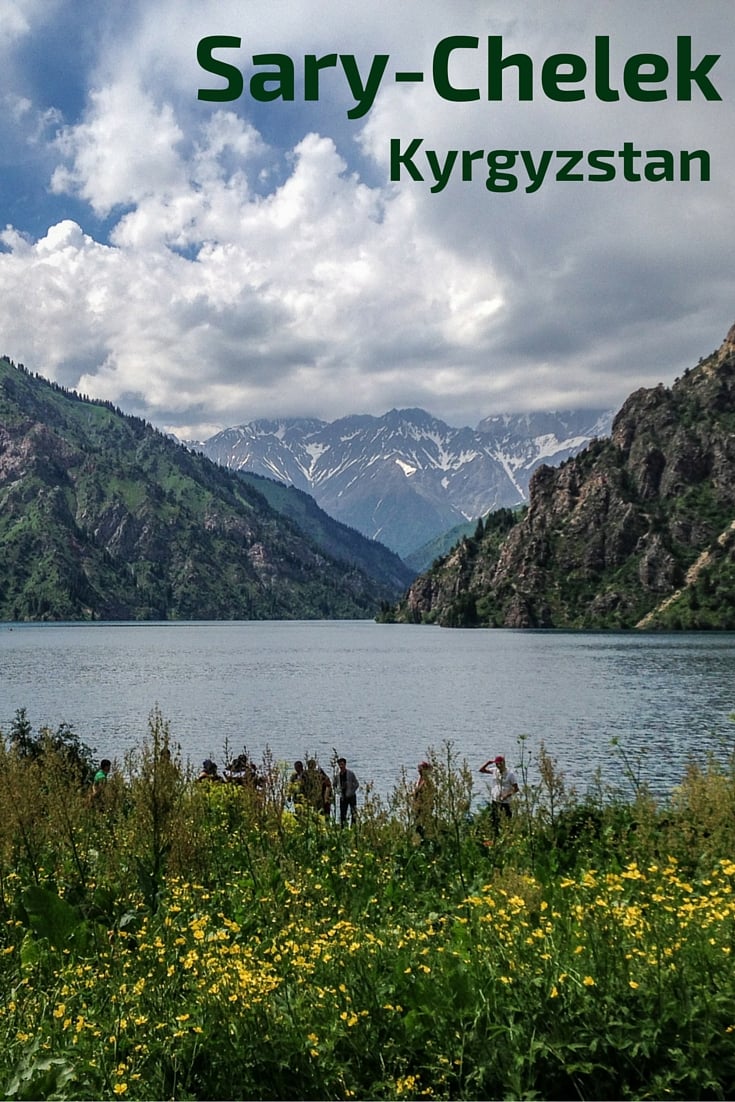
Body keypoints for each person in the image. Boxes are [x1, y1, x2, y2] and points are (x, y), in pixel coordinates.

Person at [479, 755, 519, 833]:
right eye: (497, 764)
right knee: (494, 821)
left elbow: (516, 789)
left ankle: (508, 837)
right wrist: (488, 763)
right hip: (495, 801)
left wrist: (506, 795)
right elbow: (481, 770)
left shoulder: (510, 774)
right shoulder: (495, 771)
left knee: (506, 822)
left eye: (500, 764)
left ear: (504, 763)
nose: (498, 766)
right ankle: (495, 836)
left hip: (505, 802)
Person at [412, 761, 434, 839]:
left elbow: (430, 794)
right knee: (417, 826)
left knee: (422, 826)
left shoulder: (427, 782)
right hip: (418, 808)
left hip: (424, 808)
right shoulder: (420, 781)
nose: (419, 771)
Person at [335, 757, 359, 827]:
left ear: (345, 764)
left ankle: (353, 827)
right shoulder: (337, 776)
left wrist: (352, 792)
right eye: (340, 765)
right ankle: (343, 828)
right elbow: (334, 785)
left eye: (342, 764)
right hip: (343, 797)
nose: (341, 766)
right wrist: (338, 792)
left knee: (353, 813)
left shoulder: (350, 774)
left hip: (351, 796)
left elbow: (356, 784)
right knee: (343, 814)